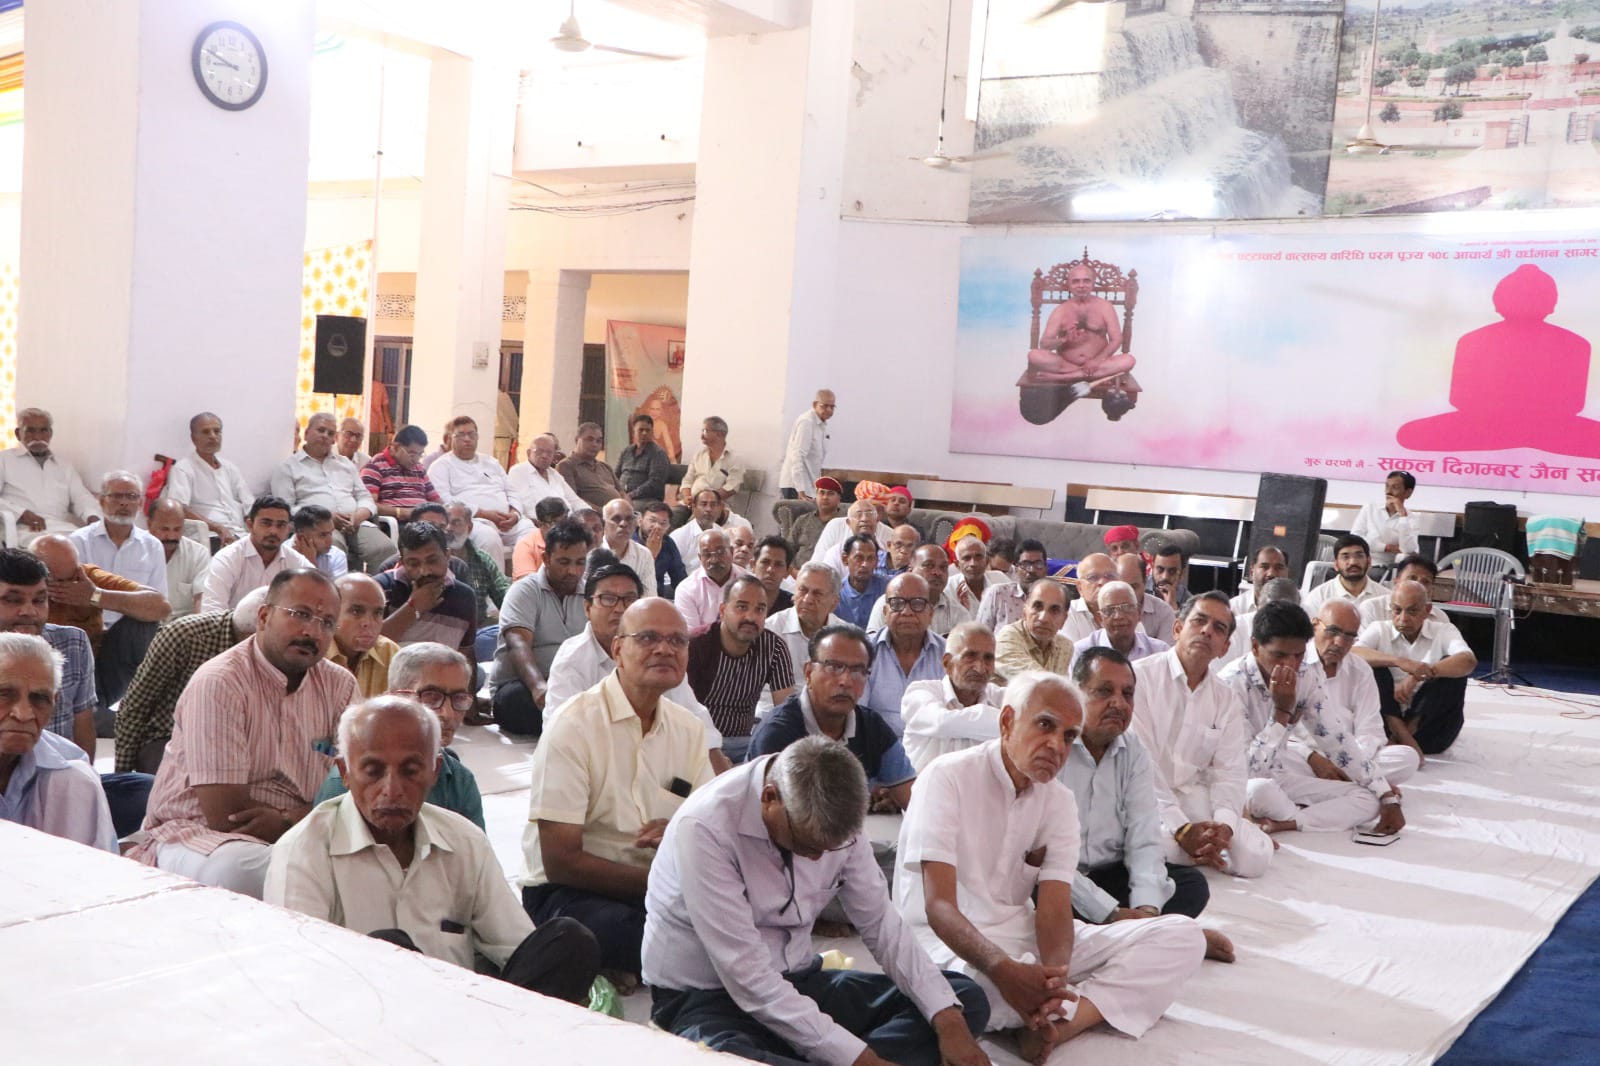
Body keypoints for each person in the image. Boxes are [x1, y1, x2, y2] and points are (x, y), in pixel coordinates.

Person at [897, 670, 1204, 1059]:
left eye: (1069, 736)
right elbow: (938, 907)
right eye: (1045, 725)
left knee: (1183, 936)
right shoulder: (946, 777)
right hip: (946, 947)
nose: (1057, 745)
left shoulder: (1058, 800)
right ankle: (1052, 1011)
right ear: (1007, 722)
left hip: (1020, 936)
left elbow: (1055, 909)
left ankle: (1060, 1023)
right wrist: (1003, 970)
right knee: (969, 994)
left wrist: (1054, 980)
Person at [642, 735, 991, 1066]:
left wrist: (948, 1022)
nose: (815, 859)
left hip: (799, 981)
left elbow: (882, 925)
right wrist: (861, 1060)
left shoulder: (839, 819)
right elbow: (749, 980)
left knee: (961, 1000)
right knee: (727, 1059)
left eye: (829, 849)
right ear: (769, 798)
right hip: (707, 999)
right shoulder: (705, 827)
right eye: (806, 846)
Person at [267, 695, 600, 1003]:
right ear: (345, 773)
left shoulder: (463, 840)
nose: (392, 789)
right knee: (387, 949)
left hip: (469, 1020)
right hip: (365, 1022)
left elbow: (515, 946)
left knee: (568, 941)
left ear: (434, 772)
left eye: (410, 771)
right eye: (373, 771)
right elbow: (302, 980)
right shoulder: (304, 851)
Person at [131, 569, 358, 898]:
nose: (312, 631)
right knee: (244, 870)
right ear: (264, 616)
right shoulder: (221, 682)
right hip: (200, 835)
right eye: (300, 614)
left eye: (326, 622)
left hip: (301, 832)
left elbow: (360, 785)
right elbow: (228, 817)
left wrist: (288, 820)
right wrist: (309, 822)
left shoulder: (340, 685)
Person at [522, 598, 713, 984]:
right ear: (617, 650)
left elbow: (712, 828)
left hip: (658, 887)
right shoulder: (574, 725)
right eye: (648, 638)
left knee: (738, 913)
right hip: (572, 890)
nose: (665, 649)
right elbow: (560, 861)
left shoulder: (689, 729)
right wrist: (660, 883)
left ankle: (631, 963)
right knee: (621, 932)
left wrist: (679, 831)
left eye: (677, 640)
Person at [1218, 602, 1401, 837]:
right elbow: (1248, 769)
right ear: (1255, 646)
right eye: (1279, 655)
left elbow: (1337, 742)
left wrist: (1387, 795)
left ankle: (1287, 822)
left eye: (1298, 655)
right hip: (1238, 783)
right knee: (1259, 791)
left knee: (1369, 798)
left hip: (1280, 775)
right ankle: (1293, 814)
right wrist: (1281, 714)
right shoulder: (1230, 685)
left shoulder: (1305, 675)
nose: (1290, 665)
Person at [1063, 649, 1215, 925]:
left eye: (1128, 694)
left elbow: (1144, 837)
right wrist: (1109, 912)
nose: (1118, 703)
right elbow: (1042, 857)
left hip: (1110, 874)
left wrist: (1147, 910)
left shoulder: (1133, 750)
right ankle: (1135, 933)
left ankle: (1125, 932)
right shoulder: (1054, 746)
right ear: (1075, 694)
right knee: (1036, 894)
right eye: (1104, 691)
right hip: (1060, 878)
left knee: (1192, 886)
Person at [1131, 592, 1274, 879]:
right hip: (1139, 796)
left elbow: (1230, 771)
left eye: (1219, 628)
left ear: (1225, 647)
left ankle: (1202, 848)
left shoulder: (1225, 698)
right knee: (1142, 846)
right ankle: (1189, 849)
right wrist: (1181, 828)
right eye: (1199, 621)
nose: (1207, 631)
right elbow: (1140, 764)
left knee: (1253, 859)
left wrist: (1224, 827)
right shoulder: (1139, 678)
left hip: (1190, 795)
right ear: (1177, 629)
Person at [1397, 264, 1600, 458]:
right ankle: (1522, 438)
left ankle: (1507, 438)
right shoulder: (1576, 343)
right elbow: (1574, 405)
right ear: (1552, 303)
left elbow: (1458, 400)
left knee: (1411, 434)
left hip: (1510, 427)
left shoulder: (1472, 340)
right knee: (1408, 434)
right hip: (1516, 427)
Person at [544, 553, 727, 767]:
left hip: (659, 759)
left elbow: (694, 715)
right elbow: (561, 734)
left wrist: (716, 762)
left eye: (629, 600)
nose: (620, 609)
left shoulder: (659, 653)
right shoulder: (572, 660)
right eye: (608, 599)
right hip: (595, 764)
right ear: (587, 608)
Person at [312, 643, 487, 829]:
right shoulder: (346, 785)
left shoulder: (458, 779)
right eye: (431, 697)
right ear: (396, 699)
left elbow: (473, 845)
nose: (448, 714)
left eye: (459, 698)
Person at [750, 624, 916, 814]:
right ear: (808, 673)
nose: (845, 681)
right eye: (834, 667)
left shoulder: (872, 727)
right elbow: (765, 816)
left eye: (857, 670)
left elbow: (914, 802)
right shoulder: (777, 733)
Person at [115, 593, 260, 775]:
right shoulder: (184, 635)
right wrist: (122, 774)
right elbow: (135, 705)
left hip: (238, 742)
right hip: (170, 737)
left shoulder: (283, 652)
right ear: (250, 636)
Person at [0, 632, 118, 852]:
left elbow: (92, 869)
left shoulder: (70, 777)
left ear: (54, 702)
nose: (24, 714)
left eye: (39, 699)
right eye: (5, 694)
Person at [1354, 580, 1478, 758]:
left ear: (1427, 610)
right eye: (1397, 610)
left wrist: (1419, 674)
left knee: (1452, 669)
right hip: (1384, 725)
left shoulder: (1443, 630)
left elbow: (1468, 660)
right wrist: (1399, 661)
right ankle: (1400, 731)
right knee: (1372, 667)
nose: (1403, 618)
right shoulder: (1379, 629)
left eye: (1412, 611)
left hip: (1430, 731)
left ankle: (1409, 729)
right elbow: (1353, 653)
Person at [490, 517, 590, 736]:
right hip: (525, 685)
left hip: (572, 685)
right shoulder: (524, 591)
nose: (573, 571)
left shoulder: (591, 594)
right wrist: (538, 687)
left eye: (580, 562)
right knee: (515, 702)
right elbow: (518, 643)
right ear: (546, 558)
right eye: (564, 562)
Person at [1314, 601, 1421, 787]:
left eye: (1349, 636)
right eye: (1333, 631)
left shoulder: (1360, 670)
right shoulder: (1294, 662)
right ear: (1315, 625)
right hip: (1309, 756)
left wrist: (1352, 761)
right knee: (1281, 761)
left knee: (1407, 758)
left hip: (1352, 755)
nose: (1339, 642)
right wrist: (1314, 758)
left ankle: (1338, 783)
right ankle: (1361, 784)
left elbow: (1370, 729)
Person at [688, 575, 794, 761]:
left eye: (760, 609)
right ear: (723, 610)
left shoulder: (774, 647)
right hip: (697, 741)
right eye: (742, 607)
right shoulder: (696, 644)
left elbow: (785, 712)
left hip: (745, 745)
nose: (751, 617)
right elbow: (682, 709)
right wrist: (714, 755)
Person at [271, 411, 392, 572]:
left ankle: (373, 588)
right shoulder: (288, 467)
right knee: (332, 548)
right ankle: (335, 588)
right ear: (307, 433)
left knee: (385, 549)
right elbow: (285, 509)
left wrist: (358, 516)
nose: (325, 436)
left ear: (334, 438)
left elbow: (365, 498)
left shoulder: (345, 464)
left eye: (330, 433)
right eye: (320, 430)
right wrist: (325, 517)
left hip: (354, 523)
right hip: (317, 526)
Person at [426, 416, 531, 566]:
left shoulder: (491, 462)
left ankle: (525, 578)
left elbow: (512, 491)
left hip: (507, 521)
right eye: (461, 435)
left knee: (533, 535)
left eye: (471, 434)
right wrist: (483, 513)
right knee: (489, 539)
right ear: (450, 439)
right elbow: (443, 500)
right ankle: (495, 582)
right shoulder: (441, 466)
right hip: (473, 520)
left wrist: (515, 514)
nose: (467, 439)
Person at [901, 621, 1004, 774]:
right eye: (970, 656)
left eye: (988, 658)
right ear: (947, 663)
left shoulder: (999, 697)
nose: (980, 667)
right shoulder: (920, 692)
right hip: (926, 788)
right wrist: (1008, 723)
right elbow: (941, 722)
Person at [374, 521, 477, 659]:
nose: (424, 571)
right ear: (402, 562)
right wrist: (413, 608)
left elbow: (465, 656)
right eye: (413, 564)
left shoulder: (464, 597)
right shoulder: (380, 589)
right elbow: (368, 646)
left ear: (447, 556)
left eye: (432, 561)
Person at [862, 574, 946, 736]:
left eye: (917, 603)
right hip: (877, 747)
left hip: (932, 746)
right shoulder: (864, 652)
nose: (907, 612)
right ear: (885, 611)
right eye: (897, 603)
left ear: (930, 613)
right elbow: (858, 715)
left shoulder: (948, 655)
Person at [0, 407, 99, 542]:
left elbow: (82, 497)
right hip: (22, 530)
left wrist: (93, 518)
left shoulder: (64, 467)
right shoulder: (4, 460)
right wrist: (22, 513)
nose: (38, 437)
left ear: (50, 434)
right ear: (18, 434)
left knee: (92, 543)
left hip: (63, 529)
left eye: (43, 430)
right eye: (30, 430)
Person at [201, 496, 311, 612]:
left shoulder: (296, 562)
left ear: (288, 529)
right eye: (266, 523)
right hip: (231, 623)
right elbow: (211, 610)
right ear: (250, 525)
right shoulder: (227, 558)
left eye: (281, 525)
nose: (273, 531)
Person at [165, 411, 255, 545]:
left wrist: (257, 525)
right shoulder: (183, 468)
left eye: (217, 431)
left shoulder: (230, 468)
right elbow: (179, 507)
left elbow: (249, 503)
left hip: (239, 533)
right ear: (194, 438)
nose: (213, 436)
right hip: (208, 536)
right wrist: (218, 528)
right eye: (206, 432)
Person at [441, 500, 510, 653]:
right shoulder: (435, 561)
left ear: (469, 527)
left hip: (478, 630)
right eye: (445, 524)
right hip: (443, 633)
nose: (448, 528)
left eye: (456, 523)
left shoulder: (482, 559)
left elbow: (503, 594)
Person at [766, 561, 844, 684]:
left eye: (817, 594)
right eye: (802, 590)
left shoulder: (846, 638)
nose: (808, 600)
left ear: (834, 603)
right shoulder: (771, 630)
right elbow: (763, 690)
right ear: (793, 594)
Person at [871, 543, 970, 637]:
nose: (937, 572)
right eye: (929, 565)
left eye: (943, 567)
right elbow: (873, 644)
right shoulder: (889, 604)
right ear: (910, 571)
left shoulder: (958, 612)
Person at [325, 573, 399, 699]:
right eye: (356, 611)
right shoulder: (313, 654)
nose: (368, 623)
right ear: (331, 613)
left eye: (377, 613)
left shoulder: (390, 653)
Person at [1071, 579, 1168, 668]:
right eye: (1109, 610)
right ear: (1100, 618)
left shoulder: (1159, 651)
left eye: (1126, 608)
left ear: (1138, 613)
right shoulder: (1081, 652)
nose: (1118, 616)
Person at [358, 424, 442, 523]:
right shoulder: (375, 467)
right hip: (397, 524)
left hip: (424, 522)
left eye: (420, 454)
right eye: (412, 454)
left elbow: (435, 500)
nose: (416, 459)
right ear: (396, 447)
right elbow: (368, 505)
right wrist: (403, 512)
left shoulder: (419, 468)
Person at [995, 578, 1073, 682]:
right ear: (1025, 611)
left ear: (1064, 619)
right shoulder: (1007, 637)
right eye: (1037, 607)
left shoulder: (1064, 646)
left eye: (1054, 610)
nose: (1043, 618)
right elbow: (1038, 683)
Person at [675, 528, 749, 637]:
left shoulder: (749, 583)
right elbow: (691, 636)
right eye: (707, 554)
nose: (714, 559)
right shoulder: (686, 589)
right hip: (703, 646)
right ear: (700, 558)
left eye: (720, 552)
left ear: (731, 552)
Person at [147, 498, 210, 619]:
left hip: (183, 626)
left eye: (177, 529)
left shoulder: (198, 554)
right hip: (145, 623)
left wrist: (199, 625)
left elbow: (201, 599)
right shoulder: (135, 550)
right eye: (164, 529)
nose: (171, 536)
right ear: (149, 525)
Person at [1302, 534, 1387, 615]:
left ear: (1369, 562)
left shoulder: (1385, 596)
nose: (1353, 562)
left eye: (1359, 556)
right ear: (1336, 565)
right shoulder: (1319, 596)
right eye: (1345, 557)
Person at [976, 539, 1048, 633]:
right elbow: (979, 633)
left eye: (1038, 564)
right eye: (1025, 564)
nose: (1031, 570)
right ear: (1016, 568)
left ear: (1046, 568)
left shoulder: (1055, 598)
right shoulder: (998, 593)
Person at [1351, 471, 1419, 567]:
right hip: (1362, 563)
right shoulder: (1370, 508)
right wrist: (1386, 547)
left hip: (1389, 567)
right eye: (1387, 486)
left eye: (1395, 487)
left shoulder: (1411, 519)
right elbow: (1355, 538)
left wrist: (1403, 516)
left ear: (1408, 493)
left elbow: (1408, 550)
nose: (1388, 492)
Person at [1359, 553, 1449, 626]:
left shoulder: (1439, 617)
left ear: (1432, 589)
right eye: (1412, 578)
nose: (1417, 585)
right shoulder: (1372, 608)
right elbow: (1362, 643)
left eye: (1425, 582)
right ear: (1396, 581)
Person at [680, 416, 747, 511]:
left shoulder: (734, 458)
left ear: (719, 434)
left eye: (705, 431)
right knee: (671, 515)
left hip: (716, 506)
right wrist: (687, 497)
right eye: (702, 431)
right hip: (690, 503)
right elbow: (687, 480)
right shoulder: (699, 455)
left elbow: (732, 486)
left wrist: (705, 501)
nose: (701, 436)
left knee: (702, 517)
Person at [777, 389, 834, 500]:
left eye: (832, 407)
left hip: (809, 486)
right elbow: (797, 456)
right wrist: (801, 491)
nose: (829, 410)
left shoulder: (821, 425)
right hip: (796, 486)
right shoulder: (807, 422)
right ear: (815, 404)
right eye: (825, 406)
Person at [507, 433, 585, 514]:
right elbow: (522, 507)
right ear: (529, 453)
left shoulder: (555, 475)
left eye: (549, 452)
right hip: (539, 520)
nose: (544, 456)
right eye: (539, 451)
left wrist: (589, 513)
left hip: (568, 519)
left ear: (554, 456)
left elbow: (575, 501)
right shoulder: (519, 472)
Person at [557, 421, 626, 511]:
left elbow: (622, 493)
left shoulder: (605, 466)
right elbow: (573, 500)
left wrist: (627, 510)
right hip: (593, 516)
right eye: (589, 439)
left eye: (598, 441)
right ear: (577, 440)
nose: (594, 444)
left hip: (619, 515)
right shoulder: (566, 466)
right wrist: (605, 512)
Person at [813, 498, 891, 578]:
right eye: (858, 515)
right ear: (848, 523)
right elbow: (825, 579)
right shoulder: (836, 553)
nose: (864, 519)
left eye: (869, 514)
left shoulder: (887, 549)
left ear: (877, 520)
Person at [598, 498, 658, 597]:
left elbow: (649, 598)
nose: (624, 524)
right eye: (616, 519)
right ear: (603, 524)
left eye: (629, 519)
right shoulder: (592, 552)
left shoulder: (644, 555)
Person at [1117, 552, 1176, 649]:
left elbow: (1166, 653)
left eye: (1133, 587)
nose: (1128, 594)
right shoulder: (1106, 612)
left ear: (1144, 582)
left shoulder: (1164, 612)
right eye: (1122, 587)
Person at [835, 534, 888, 631]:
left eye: (870, 558)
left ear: (877, 562)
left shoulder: (887, 589)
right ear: (845, 559)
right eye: (859, 558)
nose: (865, 564)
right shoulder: (834, 594)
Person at [637, 500, 687, 600]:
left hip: (657, 597)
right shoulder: (629, 541)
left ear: (668, 527)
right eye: (652, 520)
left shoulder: (668, 543)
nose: (657, 526)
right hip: (633, 597)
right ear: (640, 521)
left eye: (663, 523)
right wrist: (650, 554)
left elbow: (679, 577)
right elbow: (634, 578)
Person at [510, 496, 568, 581]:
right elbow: (528, 584)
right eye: (555, 523)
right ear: (540, 524)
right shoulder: (525, 546)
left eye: (564, 521)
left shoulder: (573, 542)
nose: (561, 527)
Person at [615, 414, 671, 502]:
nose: (644, 433)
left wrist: (630, 495)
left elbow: (655, 483)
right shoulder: (626, 451)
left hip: (645, 499)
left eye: (648, 430)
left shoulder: (658, 454)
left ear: (652, 432)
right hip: (621, 496)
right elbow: (615, 476)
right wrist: (615, 492)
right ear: (634, 432)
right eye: (641, 430)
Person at [1061, 553, 1115, 643]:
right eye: (1093, 577)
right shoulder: (1067, 614)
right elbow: (1071, 651)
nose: (1102, 582)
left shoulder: (1128, 609)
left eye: (1110, 576)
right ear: (1080, 587)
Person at [669, 488, 725, 573]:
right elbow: (668, 572)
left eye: (713, 505)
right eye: (704, 504)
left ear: (720, 508)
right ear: (693, 507)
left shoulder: (723, 535)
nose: (708, 509)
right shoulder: (679, 536)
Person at [790, 475, 842, 565]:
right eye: (821, 493)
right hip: (798, 570)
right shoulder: (803, 520)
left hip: (829, 571)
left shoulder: (844, 522)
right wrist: (792, 570)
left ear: (839, 498)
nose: (825, 497)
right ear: (816, 496)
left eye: (830, 493)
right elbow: (788, 549)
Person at [947, 535, 1004, 615]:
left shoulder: (1000, 580)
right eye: (967, 558)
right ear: (957, 565)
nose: (973, 564)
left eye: (978, 557)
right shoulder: (949, 589)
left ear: (987, 561)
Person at [1229, 545, 1290, 617]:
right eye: (1265, 567)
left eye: (1279, 567)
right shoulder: (1234, 609)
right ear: (1252, 572)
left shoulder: (1299, 608)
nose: (1271, 573)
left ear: (1287, 573)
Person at [291, 504, 347, 578]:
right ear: (301, 536)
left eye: (331, 533)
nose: (330, 541)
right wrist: (308, 563)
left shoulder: (337, 555)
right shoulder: (283, 554)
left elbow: (335, 586)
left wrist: (311, 563)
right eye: (323, 535)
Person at [1148, 544, 1191, 612]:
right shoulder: (1138, 588)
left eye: (1172, 571)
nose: (1165, 577)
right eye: (1160, 569)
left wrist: (1173, 609)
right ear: (1152, 567)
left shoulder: (1190, 603)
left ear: (1182, 573)